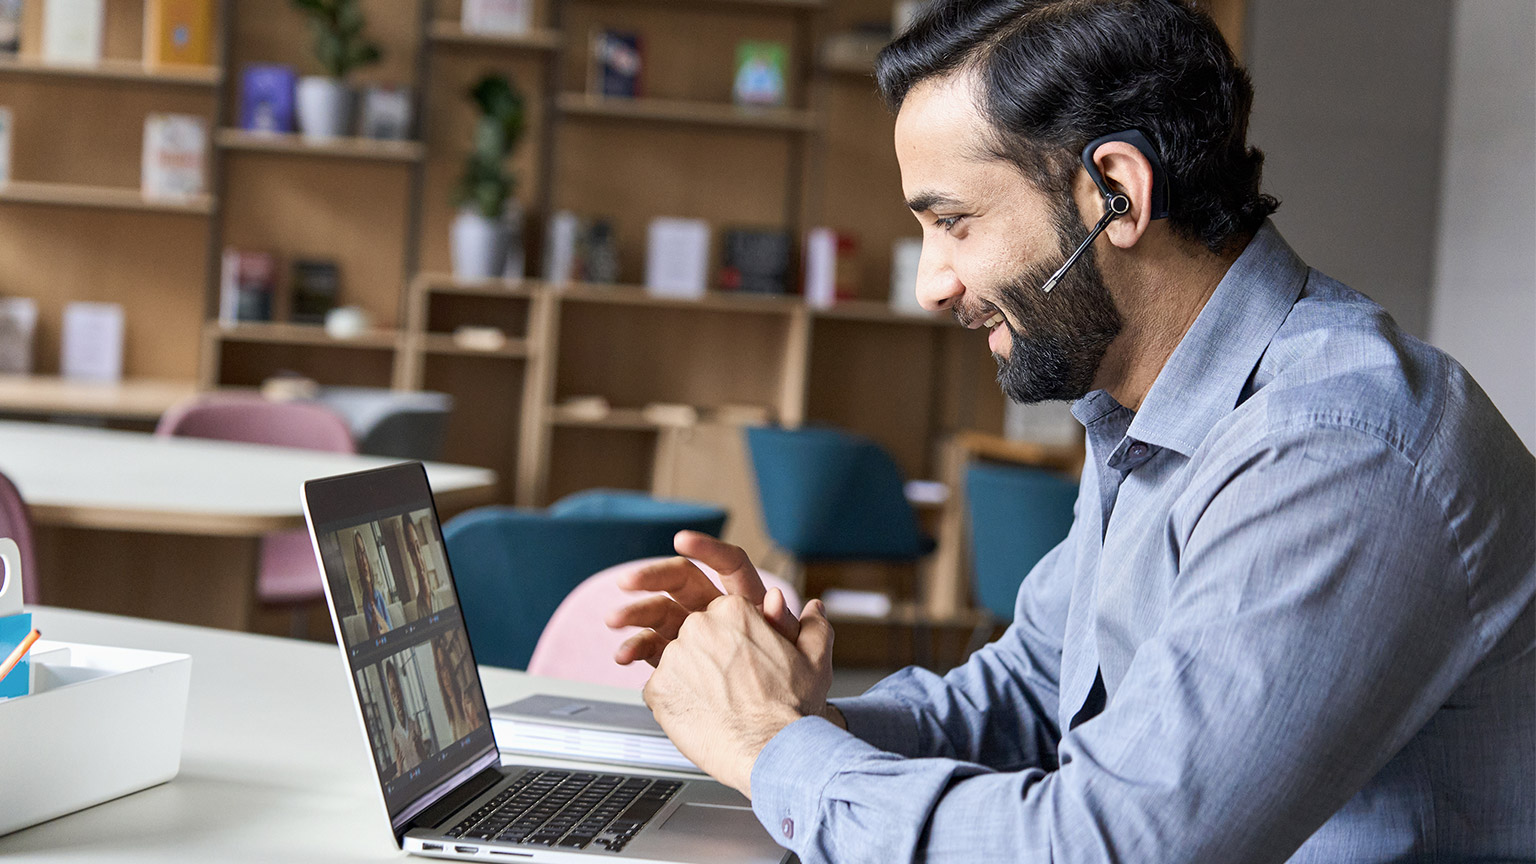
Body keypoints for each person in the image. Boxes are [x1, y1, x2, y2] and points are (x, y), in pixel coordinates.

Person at [606, 1, 1535, 861]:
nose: (933, 283)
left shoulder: (1338, 446)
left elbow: (1111, 848)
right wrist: (787, 712)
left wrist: (774, 749)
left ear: (1114, 193)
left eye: (955, 223)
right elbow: (1024, 700)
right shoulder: (1145, 412)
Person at [353, 532, 393, 639]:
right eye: (359, 556)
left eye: (363, 553)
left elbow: (390, 630)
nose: (363, 561)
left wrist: (379, 620)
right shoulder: (365, 600)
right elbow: (372, 636)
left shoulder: (378, 595)